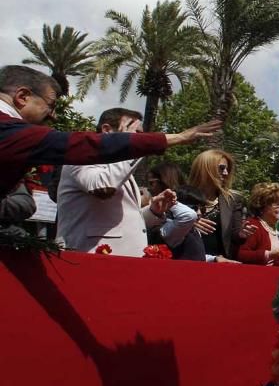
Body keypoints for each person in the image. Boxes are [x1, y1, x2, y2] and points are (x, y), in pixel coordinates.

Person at [0, 65, 218, 198]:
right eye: (51, 105)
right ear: (22, 96)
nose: (53, 115)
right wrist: (175, 138)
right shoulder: (9, 131)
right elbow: (93, 161)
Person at [56, 108, 177, 256]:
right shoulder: (81, 158)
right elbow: (103, 187)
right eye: (135, 134)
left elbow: (121, 223)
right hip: (88, 259)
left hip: (122, 263)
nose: (141, 141)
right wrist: (131, 148)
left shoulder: (119, 166)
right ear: (107, 130)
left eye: (141, 135)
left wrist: (153, 211)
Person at [188, 149, 247, 261]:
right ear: (205, 168)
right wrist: (188, 223)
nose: (225, 173)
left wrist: (242, 234)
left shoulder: (232, 200)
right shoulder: (182, 196)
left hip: (221, 264)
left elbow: (235, 237)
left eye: (227, 169)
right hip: (188, 262)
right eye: (221, 168)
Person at [237, 182, 279, 267]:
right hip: (261, 277)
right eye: (277, 204)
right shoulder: (253, 225)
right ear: (263, 206)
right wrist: (269, 254)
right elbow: (241, 255)